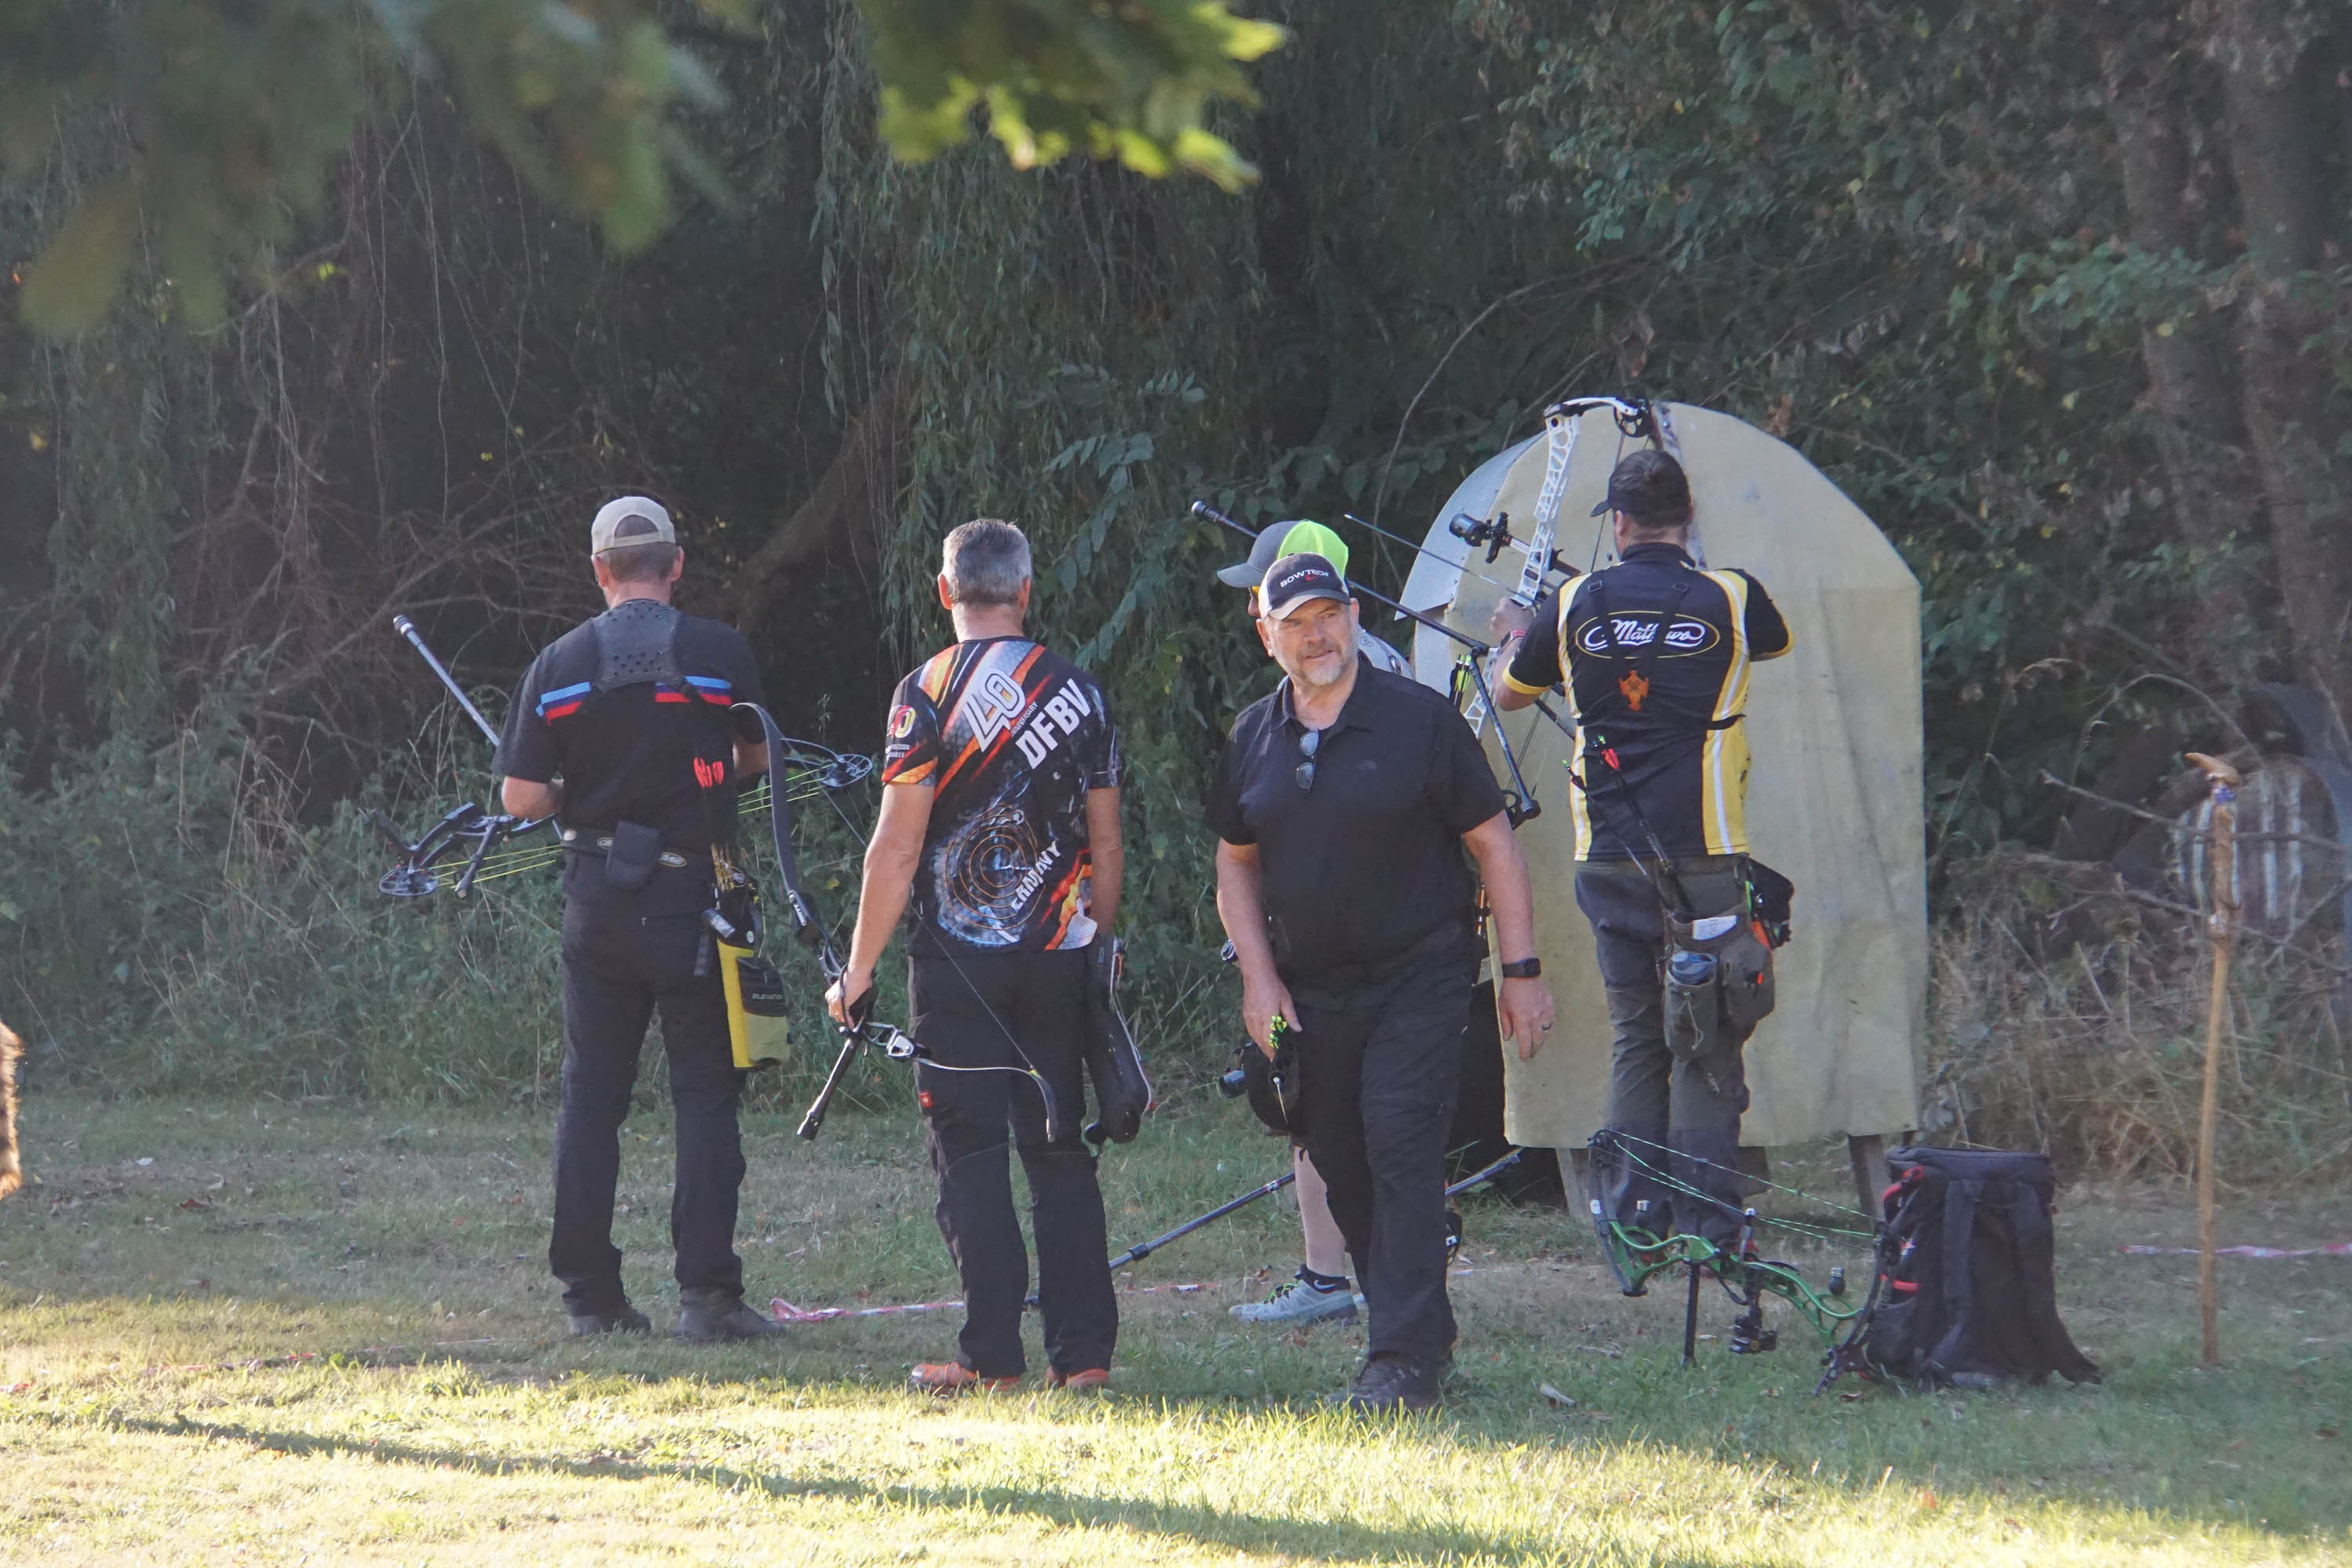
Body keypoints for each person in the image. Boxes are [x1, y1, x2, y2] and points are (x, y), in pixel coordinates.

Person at [1210, 551, 1554, 1411]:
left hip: (1420, 974)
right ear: (1266, 634)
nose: (1316, 635)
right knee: (1341, 1157)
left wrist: (1521, 972)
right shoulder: (1253, 735)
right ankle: (1416, 1337)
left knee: (1401, 1140)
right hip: (1308, 989)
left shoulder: (1420, 720)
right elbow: (1236, 864)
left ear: (1355, 617)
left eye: (1329, 615)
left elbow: (1494, 844)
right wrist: (1258, 982)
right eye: (1296, 623)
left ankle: (1399, 1359)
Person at [826, 518, 1124, 1394]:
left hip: (957, 965)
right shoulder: (1080, 691)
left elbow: (895, 848)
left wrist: (857, 970)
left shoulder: (923, 693)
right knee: (1060, 1148)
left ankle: (990, 1355)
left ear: (944, 591)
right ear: (1026, 592)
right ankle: (1085, 1357)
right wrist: (1098, 941)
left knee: (968, 1150)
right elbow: (1107, 842)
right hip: (1059, 955)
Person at [495, 495, 782, 1341]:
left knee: (591, 1098)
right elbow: (757, 757)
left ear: (599, 570)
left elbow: (520, 796)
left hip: (598, 902)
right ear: (677, 563)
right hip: (694, 903)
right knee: (704, 1096)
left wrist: (568, 791)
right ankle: (709, 1298)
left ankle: (591, 1297)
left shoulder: (558, 663)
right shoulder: (719, 653)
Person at [1493, 448, 1792, 1240]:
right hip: (1707, 853)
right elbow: (1772, 642)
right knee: (1707, 1033)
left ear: (1618, 523)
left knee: (1638, 1032)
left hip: (1610, 857)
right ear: (1687, 517)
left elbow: (1509, 693)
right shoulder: (1734, 595)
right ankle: (1709, 1223)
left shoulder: (1573, 601)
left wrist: (1518, 636)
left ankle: (1636, 1217)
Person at [1215, 518, 1401, 1327]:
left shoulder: (1362, 679)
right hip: (1322, 948)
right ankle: (1344, 1275)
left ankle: (1341, 1278)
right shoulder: (1332, 677)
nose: (1253, 610)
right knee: (1320, 1105)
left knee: (1336, 1106)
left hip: (1359, 959)